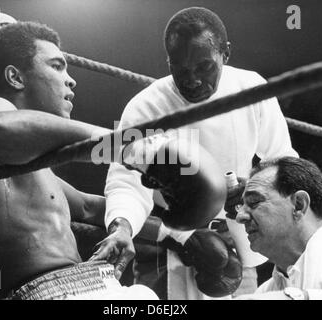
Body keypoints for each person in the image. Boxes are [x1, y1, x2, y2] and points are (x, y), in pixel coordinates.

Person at [0, 19, 157, 300]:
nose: (71, 79)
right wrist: (123, 146)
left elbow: (90, 207)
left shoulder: (32, 168)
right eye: (56, 66)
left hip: (94, 286)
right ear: (15, 78)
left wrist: (185, 234)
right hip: (49, 293)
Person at [96, 7, 298, 299]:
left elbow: (283, 159)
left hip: (238, 240)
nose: (192, 80)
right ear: (169, 62)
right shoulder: (146, 108)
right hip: (171, 245)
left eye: (204, 67)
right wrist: (122, 227)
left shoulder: (251, 88)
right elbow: (125, 182)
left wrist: (254, 188)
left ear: (225, 54)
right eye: (181, 70)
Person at [234, 157, 322, 300]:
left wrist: (298, 297)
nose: (240, 217)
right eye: (240, 207)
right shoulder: (264, 292)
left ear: (299, 205)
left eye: (254, 202)